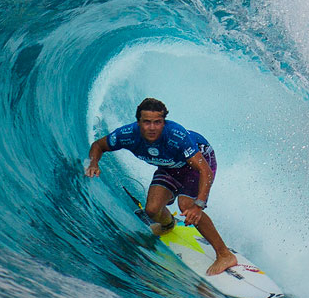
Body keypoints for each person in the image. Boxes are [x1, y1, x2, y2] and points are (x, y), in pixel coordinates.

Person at [85, 98, 238, 276]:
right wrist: (94, 163)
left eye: (157, 122)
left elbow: (205, 170)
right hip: (170, 167)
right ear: (138, 122)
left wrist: (198, 206)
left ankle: (224, 254)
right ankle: (168, 225)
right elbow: (98, 145)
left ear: (164, 122)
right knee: (152, 210)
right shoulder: (127, 134)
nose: (152, 127)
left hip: (198, 163)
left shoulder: (176, 136)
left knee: (187, 206)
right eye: (147, 122)